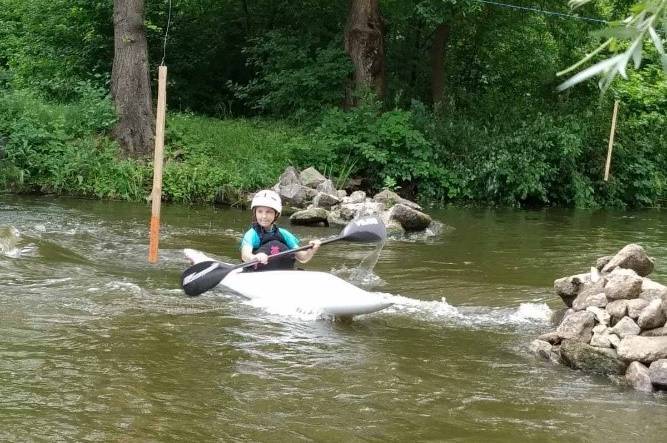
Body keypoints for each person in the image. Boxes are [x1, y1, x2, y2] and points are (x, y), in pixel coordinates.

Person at [241, 190, 320, 271]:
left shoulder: (284, 234)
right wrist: (254, 257)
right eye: (260, 211)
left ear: (276, 214)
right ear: (255, 213)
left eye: (269, 212)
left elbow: (303, 258)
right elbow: (245, 255)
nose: (264, 216)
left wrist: (312, 249)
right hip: (257, 274)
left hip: (281, 275)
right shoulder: (252, 234)